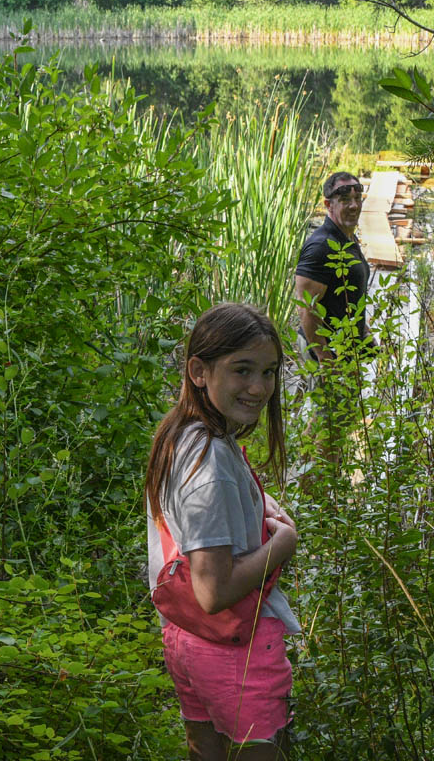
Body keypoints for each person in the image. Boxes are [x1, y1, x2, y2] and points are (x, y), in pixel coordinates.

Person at [144, 303, 300, 761]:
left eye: (269, 372)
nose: (260, 388)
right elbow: (213, 590)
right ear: (198, 370)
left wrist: (256, 504)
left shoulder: (184, 433)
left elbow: (196, 519)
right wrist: (283, 544)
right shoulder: (208, 464)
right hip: (234, 650)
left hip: (186, 637)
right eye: (242, 370)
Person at [294, 171, 374, 367]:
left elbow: (344, 296)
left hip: (344, 346)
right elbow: (306, 307)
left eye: (357, 198)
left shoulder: (346, 239)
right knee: (325, 399)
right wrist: (324, 357)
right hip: (326, 350)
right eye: (345, 200)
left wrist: (362, 329)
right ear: (328, 204)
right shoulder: (321, 246)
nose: (354, 205)